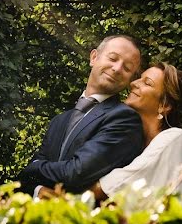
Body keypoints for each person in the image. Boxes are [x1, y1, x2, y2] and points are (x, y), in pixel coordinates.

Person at [17, 35, 144, 197]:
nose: (117, 68)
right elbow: (25, 181)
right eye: (113, 58)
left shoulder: (125, 119)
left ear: (129, 79)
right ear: (94, 57)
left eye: (127, 68)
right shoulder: (59, 121)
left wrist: (33, 167)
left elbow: (75, 173)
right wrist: (38, 190)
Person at [92, 63, 182, 201]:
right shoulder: (133, 143)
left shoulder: (176, 138)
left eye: (147, 83)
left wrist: (61, 190)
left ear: (164, 105)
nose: (134, 83)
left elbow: (114, 186)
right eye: (139, 78)